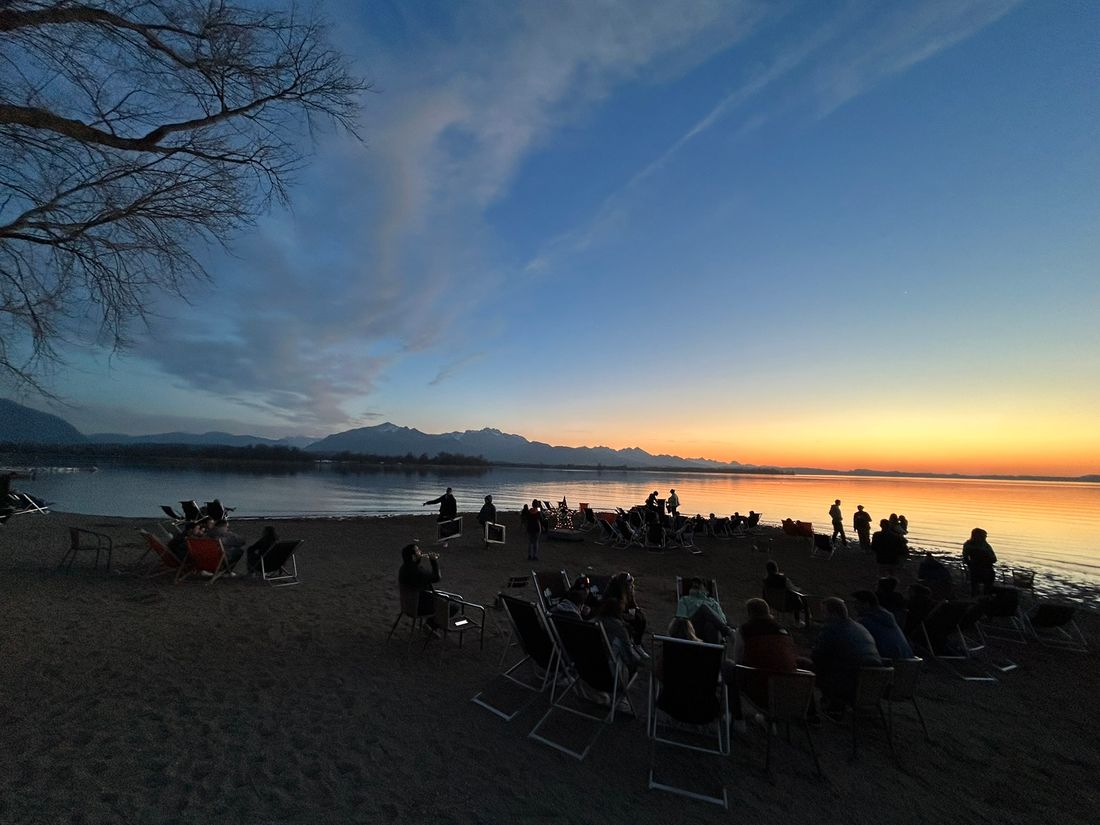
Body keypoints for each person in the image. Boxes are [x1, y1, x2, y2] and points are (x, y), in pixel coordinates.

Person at [812, 598, 883, 717]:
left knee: (813, 668)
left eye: (824, 613)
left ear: (834, 613)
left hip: (850, 683)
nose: (823, 617)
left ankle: (827, 708)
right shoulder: (860, 628)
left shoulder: (832, 629)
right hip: (874, 683)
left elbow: (818, 655)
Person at [852, 590, 913, 660]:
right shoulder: (886, 617)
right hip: (907, 661)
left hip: (888, 663)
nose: (854, 607)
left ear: (866, 604)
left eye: (856, 603)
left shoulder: (866, 622)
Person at [398, 541, 443, 627]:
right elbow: (437, 577)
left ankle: (430, 625)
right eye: (418, 551)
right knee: (452, 607)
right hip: (418, 607)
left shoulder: (403, 568)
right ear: (413, 557)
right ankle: (430, 625)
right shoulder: (417, 571)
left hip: (407, 606)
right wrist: (434, 561)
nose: (421, 552)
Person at [675, 578, 730, 644]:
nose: (695, 585)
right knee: (703, 608)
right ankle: (728, 632)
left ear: (706, 590)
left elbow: (722, 620)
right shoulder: (684, 600)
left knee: (710, 625)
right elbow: (682, 620)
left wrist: (710, 618)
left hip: (710, 632)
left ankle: (712, 652)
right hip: (692, 630)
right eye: (693, 584)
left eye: (699, 584)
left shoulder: (713, 602)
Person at [762, 560, 809, 626]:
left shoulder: (766, 580)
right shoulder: (783, 579)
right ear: (776, 568)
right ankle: (798, 620)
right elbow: (793, 588)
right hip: (785, 604)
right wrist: (800, 589)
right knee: (799, 599)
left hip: (772, 603)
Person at [962, 527, 997, 596]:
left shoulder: (968, 544)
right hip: (982, 570)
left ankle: (977, 595)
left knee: (976, 584)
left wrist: (970, 565)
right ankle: (985, 595)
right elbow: (994, 559)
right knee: (988, 580)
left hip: (975, 570)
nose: (985, 538)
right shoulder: (985, 546)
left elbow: (965, 557)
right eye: (984, 536)